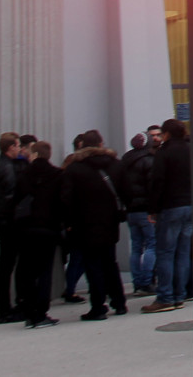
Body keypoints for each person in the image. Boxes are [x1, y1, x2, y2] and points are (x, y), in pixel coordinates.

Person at [59, 129, 128, 321]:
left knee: (93, 265)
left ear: (82, 146)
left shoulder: (75, 168)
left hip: (85, 224)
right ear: (101, 143)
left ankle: (98, 307)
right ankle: (119, 302)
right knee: (110, 263)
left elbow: (66, 199)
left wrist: (69, 222)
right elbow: (126, 191)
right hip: (109, 222)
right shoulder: (115, 164)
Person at [142, 118, 193, 313]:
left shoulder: (164, 153)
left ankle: (165, 296)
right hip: (190, 204)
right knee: (183, 251)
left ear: (167, 134)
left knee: (165, 252)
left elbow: (157, 181)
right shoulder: (191, 150)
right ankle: (179, 295)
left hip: (170, 206)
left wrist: (152, 208)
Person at [14, 140, 63, 328]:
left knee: (26, 271)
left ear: (34, 154)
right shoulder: (57, 175)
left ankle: (29, 311)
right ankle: (41, 312)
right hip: (48, 228)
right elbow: (62, 202)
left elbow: (16, 200)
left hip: (26, 228)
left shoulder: (23, 174)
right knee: (45, 272)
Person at [0, 131, 27, 323]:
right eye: (18, 146)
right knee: (7, 264)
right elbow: (13, 196)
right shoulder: (7, 168)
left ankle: (5, 308)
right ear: (10, 147)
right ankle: (5, 310)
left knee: (6, 264)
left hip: (5, 220)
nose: (20, 149)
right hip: (9, 222)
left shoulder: (3, 166)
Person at [121, 132, 156, 296]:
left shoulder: (125, 161)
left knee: (136, 247)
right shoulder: (149, 160)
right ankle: (147, 281)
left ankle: (136, 281)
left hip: (131, 209)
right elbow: (152, 187)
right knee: (152, 244)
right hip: (145, 209)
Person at [60, 132, 87, 304]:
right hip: (76, 220)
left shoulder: (70, 167)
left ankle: (70, 288)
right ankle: (70, 289)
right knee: (78, 257)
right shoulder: (73, 167)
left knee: (79, 258)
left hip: (75, 220)